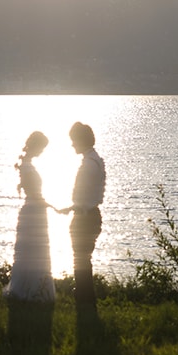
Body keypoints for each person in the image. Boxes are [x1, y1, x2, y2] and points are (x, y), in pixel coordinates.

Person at [3, 131, 56, 303]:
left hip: (34, 210)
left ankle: (32, 289)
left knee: (31, 252)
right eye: (41, 148)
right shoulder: (27, 167)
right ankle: (33, 291)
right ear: (35, 146)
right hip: (34, 212)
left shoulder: (26, 165)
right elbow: (35, 194)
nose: (42, 152)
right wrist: (54, 207)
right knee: (34, 252)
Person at [58, 122, 106, 305]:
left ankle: (84, 297)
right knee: (84, 258)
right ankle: (85, 295)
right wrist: (72, 207)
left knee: (80, 259)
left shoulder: (88, 164)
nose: (72, 145)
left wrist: (73, 208)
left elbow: (83, 196)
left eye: (73, 141)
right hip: (91, 215)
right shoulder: (96, 160)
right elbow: (89, 195)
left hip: (84, 218)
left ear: (80, 140)